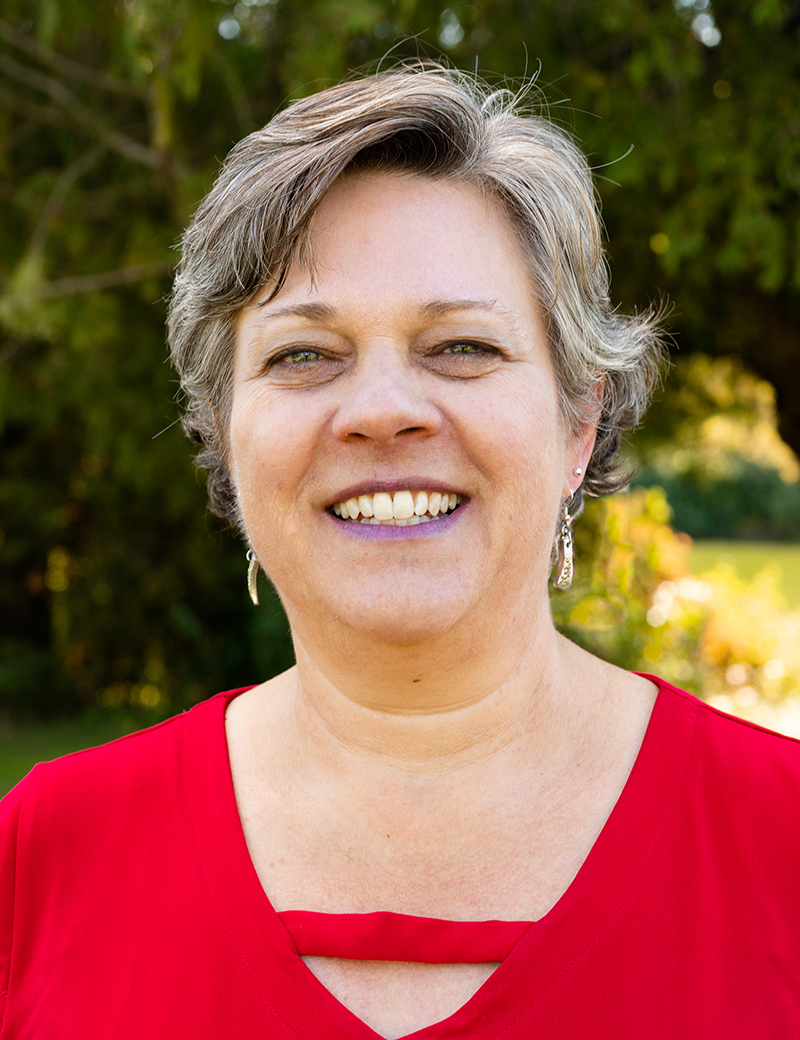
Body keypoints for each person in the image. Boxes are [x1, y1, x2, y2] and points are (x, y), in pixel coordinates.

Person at [1, 64, 799, 1040]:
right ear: (223, 428)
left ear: (576, 422)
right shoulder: (43, 859)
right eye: (302, 354)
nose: (381, 410)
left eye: (460, 346)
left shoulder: (780, 848)